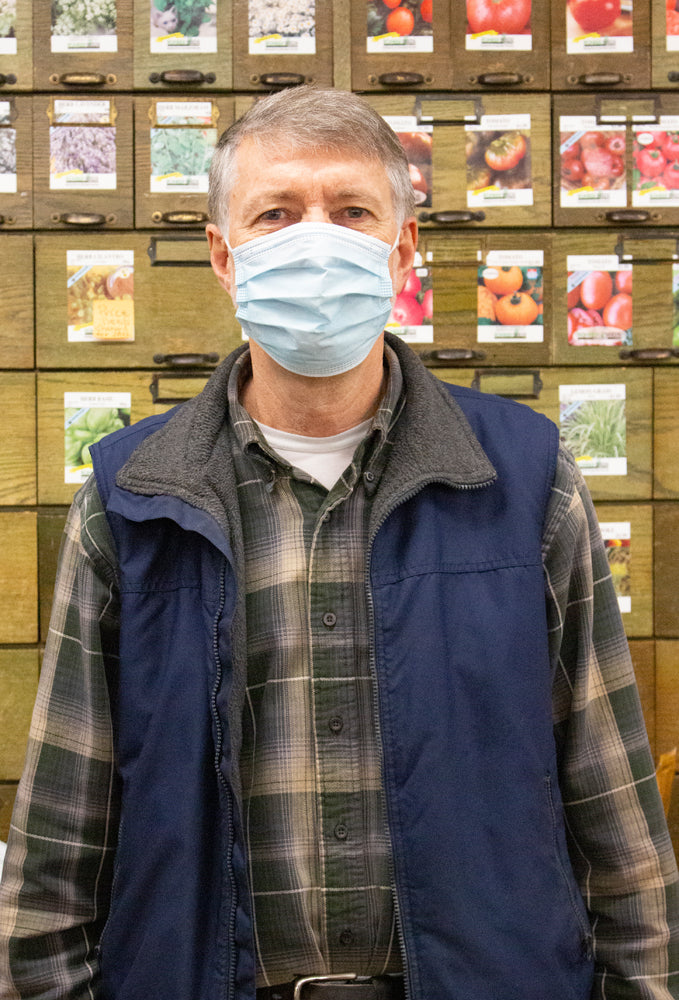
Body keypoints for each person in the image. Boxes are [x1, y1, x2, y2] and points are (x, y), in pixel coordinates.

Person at [1, 85, 678, 1000]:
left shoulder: (523, 479)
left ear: (400, 250)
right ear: (223, 255)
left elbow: (611, 803)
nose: (313, 238)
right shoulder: (130, 497)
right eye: (275, 213)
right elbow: (59, 836)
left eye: (350, 210)